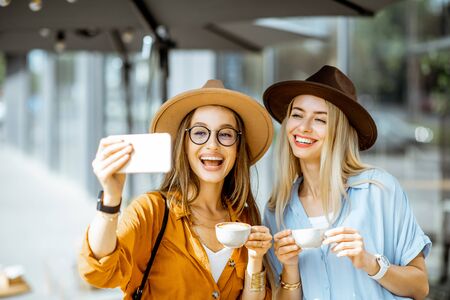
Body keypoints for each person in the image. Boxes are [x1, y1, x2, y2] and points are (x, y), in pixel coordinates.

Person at [78, 80, 274, 299]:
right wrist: (111, 199)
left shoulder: (245, 219)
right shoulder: (152, 211)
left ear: (238, 148)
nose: (212, 145)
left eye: (226, 134)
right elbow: (98, 271)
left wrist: (256, 258)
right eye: (200, 133)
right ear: (184, 143)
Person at [262, 65, 431, 300]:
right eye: (297, 114)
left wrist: (370, 263)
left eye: (320, 120)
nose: (304, 127)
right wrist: (290, 268)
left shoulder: (380, 191)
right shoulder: (277, 210)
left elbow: (420, 286)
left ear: (339, 131)